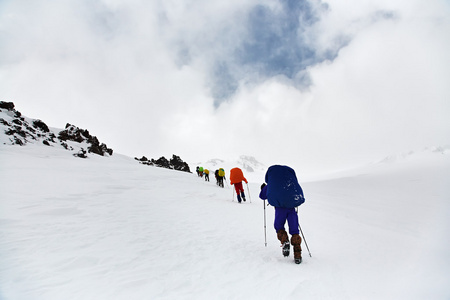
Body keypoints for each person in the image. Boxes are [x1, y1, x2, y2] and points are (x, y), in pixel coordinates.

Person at [259, 165, 305, 264]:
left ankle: (284, 241)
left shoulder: (272, 185)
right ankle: (297, 255)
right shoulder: (290, 184)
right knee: (294, 230)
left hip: (280, 210)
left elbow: (262, 196)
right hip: (292, 209)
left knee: (279, 227)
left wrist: (263, 188)